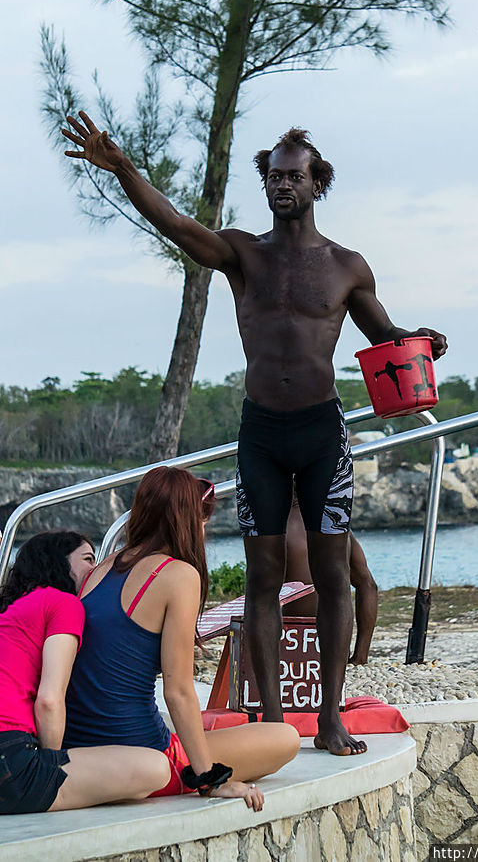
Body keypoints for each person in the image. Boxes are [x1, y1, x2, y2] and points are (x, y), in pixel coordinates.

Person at [61, 114, 448, 755]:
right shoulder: (244, 254)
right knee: (263, 577)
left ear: (316, 182)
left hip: (324, 432)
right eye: (273, 177)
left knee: (333, 577)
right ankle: (271, 718)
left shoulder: (348, 267)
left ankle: (328, 717)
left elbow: (386, 339)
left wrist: (423, 341)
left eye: (294, 177)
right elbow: (178, 226)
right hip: (262, 432)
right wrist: (124, 167)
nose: (282, 187)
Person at [63, 466, 299, 809]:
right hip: (144, 751)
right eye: (202, 521)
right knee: (284, 737)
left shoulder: (101, 567)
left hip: (82, 747)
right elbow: (178, 690)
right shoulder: (177, 575)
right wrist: (208, 778)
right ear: (189, 521)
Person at [0, 531, 173, 814]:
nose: (97, 570)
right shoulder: (63, 603)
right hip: (10, 760)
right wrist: (49, 766)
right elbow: (49, 700)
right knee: (156, 767)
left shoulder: (10, 612)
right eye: (89, 559)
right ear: (59, 563)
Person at [284, 501, 378, 665]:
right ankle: (360, 657)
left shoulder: (277, 526)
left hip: (291, 641)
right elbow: (368, 585)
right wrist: (360, 656)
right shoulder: (339, 527)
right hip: (335, 645)